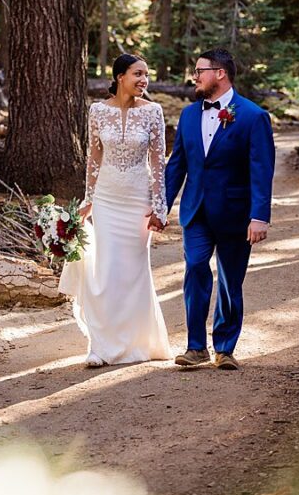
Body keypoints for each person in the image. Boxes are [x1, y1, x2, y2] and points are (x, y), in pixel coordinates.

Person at [161, 47, 274, 370]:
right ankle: (196, 346)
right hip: (195, 211)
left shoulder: (253, 116)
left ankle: (225, 347)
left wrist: (259, 216)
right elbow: (177, 165)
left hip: (236, 215)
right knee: (195, 269)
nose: (194, 77)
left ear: (220, 74)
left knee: (230, 281)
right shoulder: (188, 114)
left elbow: (261, 171)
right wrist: (162, 207)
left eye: (200, 71)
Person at [60, 52, 173, 367]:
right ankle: (102, 347)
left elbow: (158, 161)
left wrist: (160, 206)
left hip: (138, 199)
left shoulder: (153, 112)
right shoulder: (97, 111)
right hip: (107, 199)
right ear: (120, 76)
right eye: (138, 74)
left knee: (134, 271)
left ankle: (138, 343)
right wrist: (88, 199)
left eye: (146, 75)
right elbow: (94, 157)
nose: (143, 81)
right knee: (106, 271)